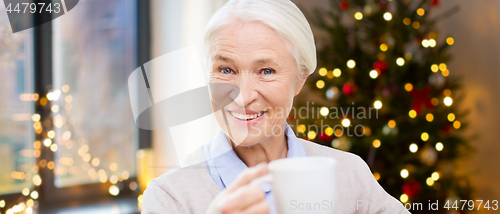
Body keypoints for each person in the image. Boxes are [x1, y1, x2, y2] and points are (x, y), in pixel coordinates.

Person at [142, 0, 410, 213]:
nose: (242, 97)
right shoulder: (170, 198)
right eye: (226, 69)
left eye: (266, 71)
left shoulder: (349, 174)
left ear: (300, 79)